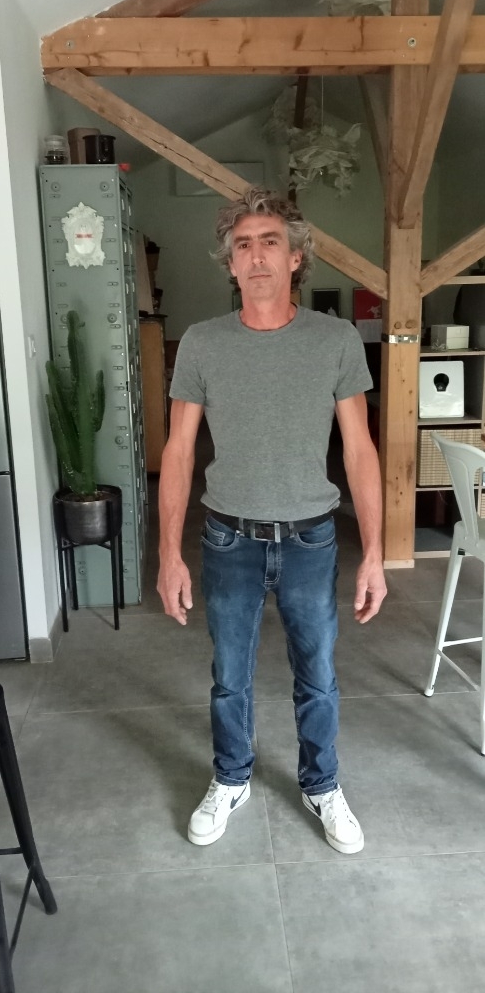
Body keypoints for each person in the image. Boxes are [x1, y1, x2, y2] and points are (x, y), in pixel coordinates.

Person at [158, 187, 387, 854]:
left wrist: (374, 553)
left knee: (317, 677)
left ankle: (322, 785)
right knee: (230, 677)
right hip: (227, 537)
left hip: (312, 538)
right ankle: (231, 777)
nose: (256, 256)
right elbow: (178, 451)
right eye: (243, 245)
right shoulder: (202, 343)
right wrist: (168, 554)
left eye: (269, 242)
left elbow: (359, 449)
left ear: (294, 258)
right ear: (230, 263)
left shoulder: (335, 340)